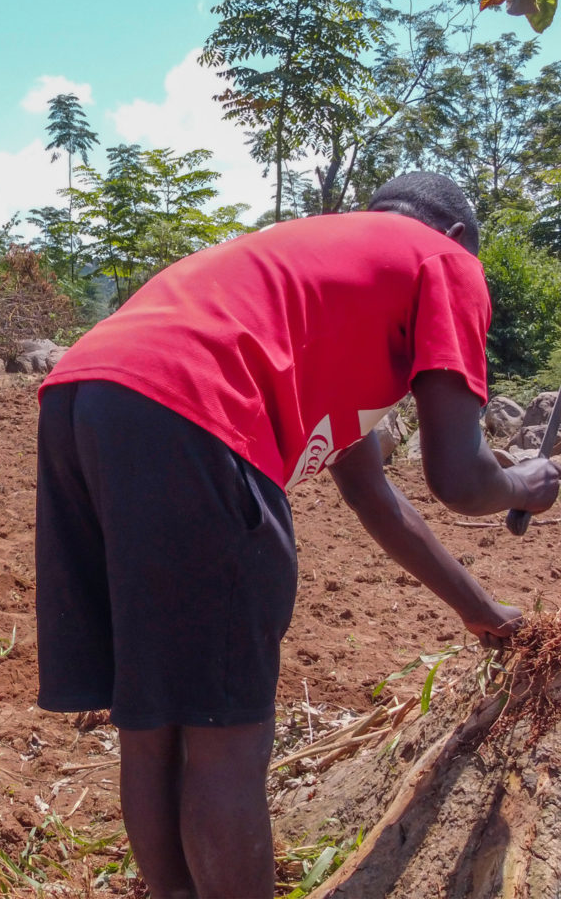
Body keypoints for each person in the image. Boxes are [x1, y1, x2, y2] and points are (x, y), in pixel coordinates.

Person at [34, 172, 560, 899]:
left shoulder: (327, 281)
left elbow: (377, 497)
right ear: (461, 237)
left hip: (83, 398)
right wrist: (524, 483)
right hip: (193, 407)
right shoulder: (445, 261)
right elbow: (460, 480)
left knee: (153, 721)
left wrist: (480, 610)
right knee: (223, 733)